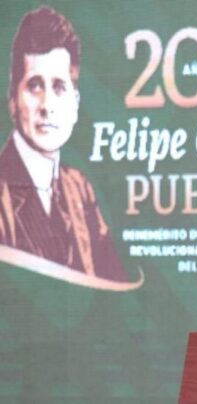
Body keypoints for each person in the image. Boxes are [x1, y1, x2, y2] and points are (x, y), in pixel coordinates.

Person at [0, 6, 128, 284]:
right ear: (12, 100)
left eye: (59, 87)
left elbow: (113, 288)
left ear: (76, 103)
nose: (47, 105)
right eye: (34, 86)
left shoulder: (79, 188)